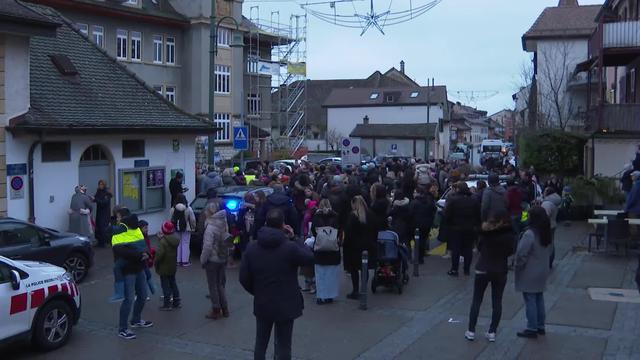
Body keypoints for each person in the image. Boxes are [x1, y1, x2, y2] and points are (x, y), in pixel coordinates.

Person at [240, 209, 314, 360]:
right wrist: (295, 238)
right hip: (286, 303)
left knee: (260, 344)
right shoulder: (290, 248)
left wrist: (257, 290)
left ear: (266, 223)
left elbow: (244, 278)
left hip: (263, 302)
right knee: (284, 345)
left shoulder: (252, 247)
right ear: (283, 225)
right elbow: (309, 258)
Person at [465, 209, 514, 343]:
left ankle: (471, 331)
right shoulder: (509, 235)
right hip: (500, 269)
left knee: (477, 300)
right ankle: (492, 331)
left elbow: (480, 247)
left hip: (483, 268)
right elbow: (511, 251)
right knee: (497, 301)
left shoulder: (485, 233)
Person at [112, 213, 153, 340]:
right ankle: (122, 329)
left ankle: (136, 319)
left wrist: (146, 253)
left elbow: (144, 245)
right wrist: (140, 255)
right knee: (129, 299)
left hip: (139, 268)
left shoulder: (136, 231)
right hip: (128, 271)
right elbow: (121, 251)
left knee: (143, 295)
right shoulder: (119, 233)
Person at [515, 206, 553, 339]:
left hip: (530, 270)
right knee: (538, 297)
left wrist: (518, 266)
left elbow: (521, 253)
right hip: (542, 269)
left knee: (530, 298)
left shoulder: (529, 233)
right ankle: (540, 325)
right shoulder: (545, 232)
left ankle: (531, 327)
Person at [201, 202, 232, 319]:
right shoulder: (223, 222)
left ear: (209, 212)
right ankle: (225, 309)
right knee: (220, 285)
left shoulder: (210, 227)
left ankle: (216, 309)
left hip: (212, 260)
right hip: (222, 257)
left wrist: (203, 260)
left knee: (213, 286)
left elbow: (207, 246)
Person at [343, 195, 377, 300]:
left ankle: (356, 290)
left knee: (354, 270)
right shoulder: (370, 215)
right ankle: (363, 288)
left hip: (353, 248)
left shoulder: (353, 216)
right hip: (367, 246)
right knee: (364, 268)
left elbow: (348, 232)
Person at [444, 182, 480, 276]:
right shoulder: (473, 200)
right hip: (469, 228)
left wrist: (449, 224)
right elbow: (478, 214)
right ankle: (466, 270)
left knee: (455, 249)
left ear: (458, 189)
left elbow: (447, 214)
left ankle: (454, 269)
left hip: (456, 228)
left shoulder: (453, 200)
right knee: (468, 249)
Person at [310, 199, 341, 305]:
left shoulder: (316, 216)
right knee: (331, 274)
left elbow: (313, 231)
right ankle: (330, 296)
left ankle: (320, 296)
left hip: (320, 249)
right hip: (332, 250)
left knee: (320, 274)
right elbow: (339, 230)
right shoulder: (336, 216)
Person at [154, 221, 181, 311]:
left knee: (165, 285)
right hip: (172, 265)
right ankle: (176, 301)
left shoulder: (163, 242)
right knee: (173, 283)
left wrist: (155, 262)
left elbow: (159, 255)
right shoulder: (175, 238)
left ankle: (167, 304)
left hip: (164, 266)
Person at [409, 187, 437, 264]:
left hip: (416, 225)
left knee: (417, 241)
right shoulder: (429, 201)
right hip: (426, 225)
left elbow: (410, 214)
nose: (413, 194)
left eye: (415, 192)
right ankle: (421, 257)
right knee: (423, 241)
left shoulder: (414, 202)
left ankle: (417, 258)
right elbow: (434, 209)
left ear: (419, 193)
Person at [171, 194, 197, 266]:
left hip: (176, 228)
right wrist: (193, 227)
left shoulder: (173, 208)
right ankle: (185, 261)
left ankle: (178, 261)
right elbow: (192, 220)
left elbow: (170, 219)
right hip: (186, 228)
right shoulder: (188, 208)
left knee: (178, 244)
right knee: (185, 243)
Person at [541, 187, 561, 269]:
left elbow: (545, 216)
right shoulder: (554, 202)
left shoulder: (547, 203)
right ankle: (550, 260)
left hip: (547, 225)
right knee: (551, 243)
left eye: (544, 191)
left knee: (546, 244)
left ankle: (547, 261)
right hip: (553, 224)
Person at [93, 180, 113, 247]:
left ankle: (105, 242)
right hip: (99, 212)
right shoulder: (98, 191)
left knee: (103, 227)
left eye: (101, 184)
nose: (100, 186)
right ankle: (99, 242)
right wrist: (93, 199)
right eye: (99, 184)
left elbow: (104, 202)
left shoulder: (107, 193)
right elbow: (96, 198)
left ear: (104, 185)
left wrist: (96, 200)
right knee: (98, 227)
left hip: (105, 213)